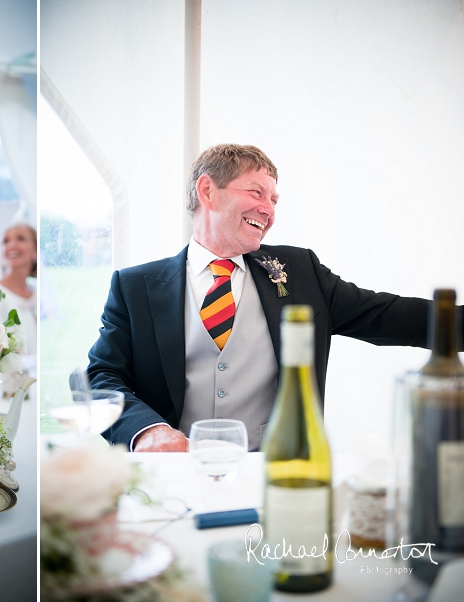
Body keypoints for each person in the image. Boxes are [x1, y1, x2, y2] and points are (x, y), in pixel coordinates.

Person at [87, 144, 454, 452]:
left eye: (274, 200)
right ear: (208, 191)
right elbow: (101, 377)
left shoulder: (299, 270)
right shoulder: (135, 286)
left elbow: (385, 315)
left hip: (274, 471)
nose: (269, 210)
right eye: (256, 192)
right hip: (174, 473)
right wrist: (146, 430)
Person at [0, 223, 38, 359]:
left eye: (20, 239)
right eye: (6, 241)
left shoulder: (38, 294)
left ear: (35, 251)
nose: (11, 245)